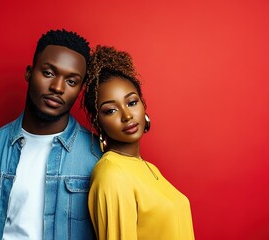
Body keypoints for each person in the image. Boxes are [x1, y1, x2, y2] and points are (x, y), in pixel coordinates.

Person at [0, 29, 101, 240]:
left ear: (80, 89)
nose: (57, 87)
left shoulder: (97, 156)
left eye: (71, 81)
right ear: (29, 73)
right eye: (48, 73)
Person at [83, 45, 195, 240]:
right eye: (111, 110)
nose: (127, 115)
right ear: (96, 122)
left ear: (143, 104)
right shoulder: (112, 174)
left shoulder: (148, 168)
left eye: (132, 102)